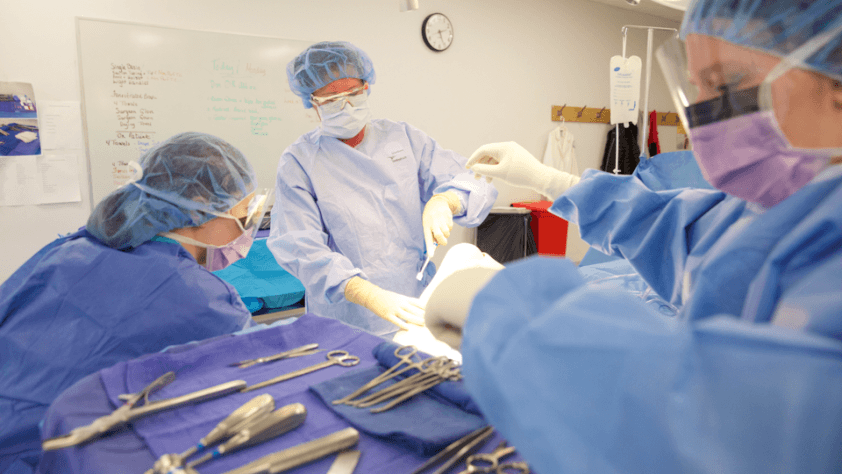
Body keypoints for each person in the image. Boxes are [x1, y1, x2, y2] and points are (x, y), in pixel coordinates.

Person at [426, 1, 842, 472]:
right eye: (696, 89)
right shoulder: (766, 210)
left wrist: (509, 309)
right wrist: (546, 179)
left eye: (726, 85)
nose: (707, 116)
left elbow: (729, 428)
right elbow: (666, 227)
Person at [0, 132, 265, 473]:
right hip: (41, 458)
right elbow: (259, 378)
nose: (247, 228)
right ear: (200, 207)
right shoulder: (205, 303)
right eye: (242, 214)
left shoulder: (70, 249)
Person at [268, 41, 497, 336]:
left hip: (417, 300)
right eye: (333, 100)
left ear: (367, 87)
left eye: (353, 93)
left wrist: (447, 200)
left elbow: (475, 179)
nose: (346, 105)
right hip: (347, 316)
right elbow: (300, 247)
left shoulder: (402, 138)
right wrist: (367, 294)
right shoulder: (299, 161)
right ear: (312, 102)